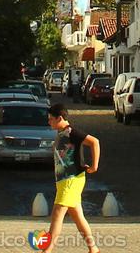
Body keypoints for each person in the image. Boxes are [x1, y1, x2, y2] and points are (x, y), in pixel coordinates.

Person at [47, 103, 100, 253]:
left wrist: (94, 166)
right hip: (64, 180)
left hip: (71, 179)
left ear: (60, 118)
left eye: (51, 119)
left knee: (57, 213)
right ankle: (93, 248)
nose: (49, 122)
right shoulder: (61, 133)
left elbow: (94, 142)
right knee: (77, 215)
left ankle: (48, 250)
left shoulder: (71, 132)